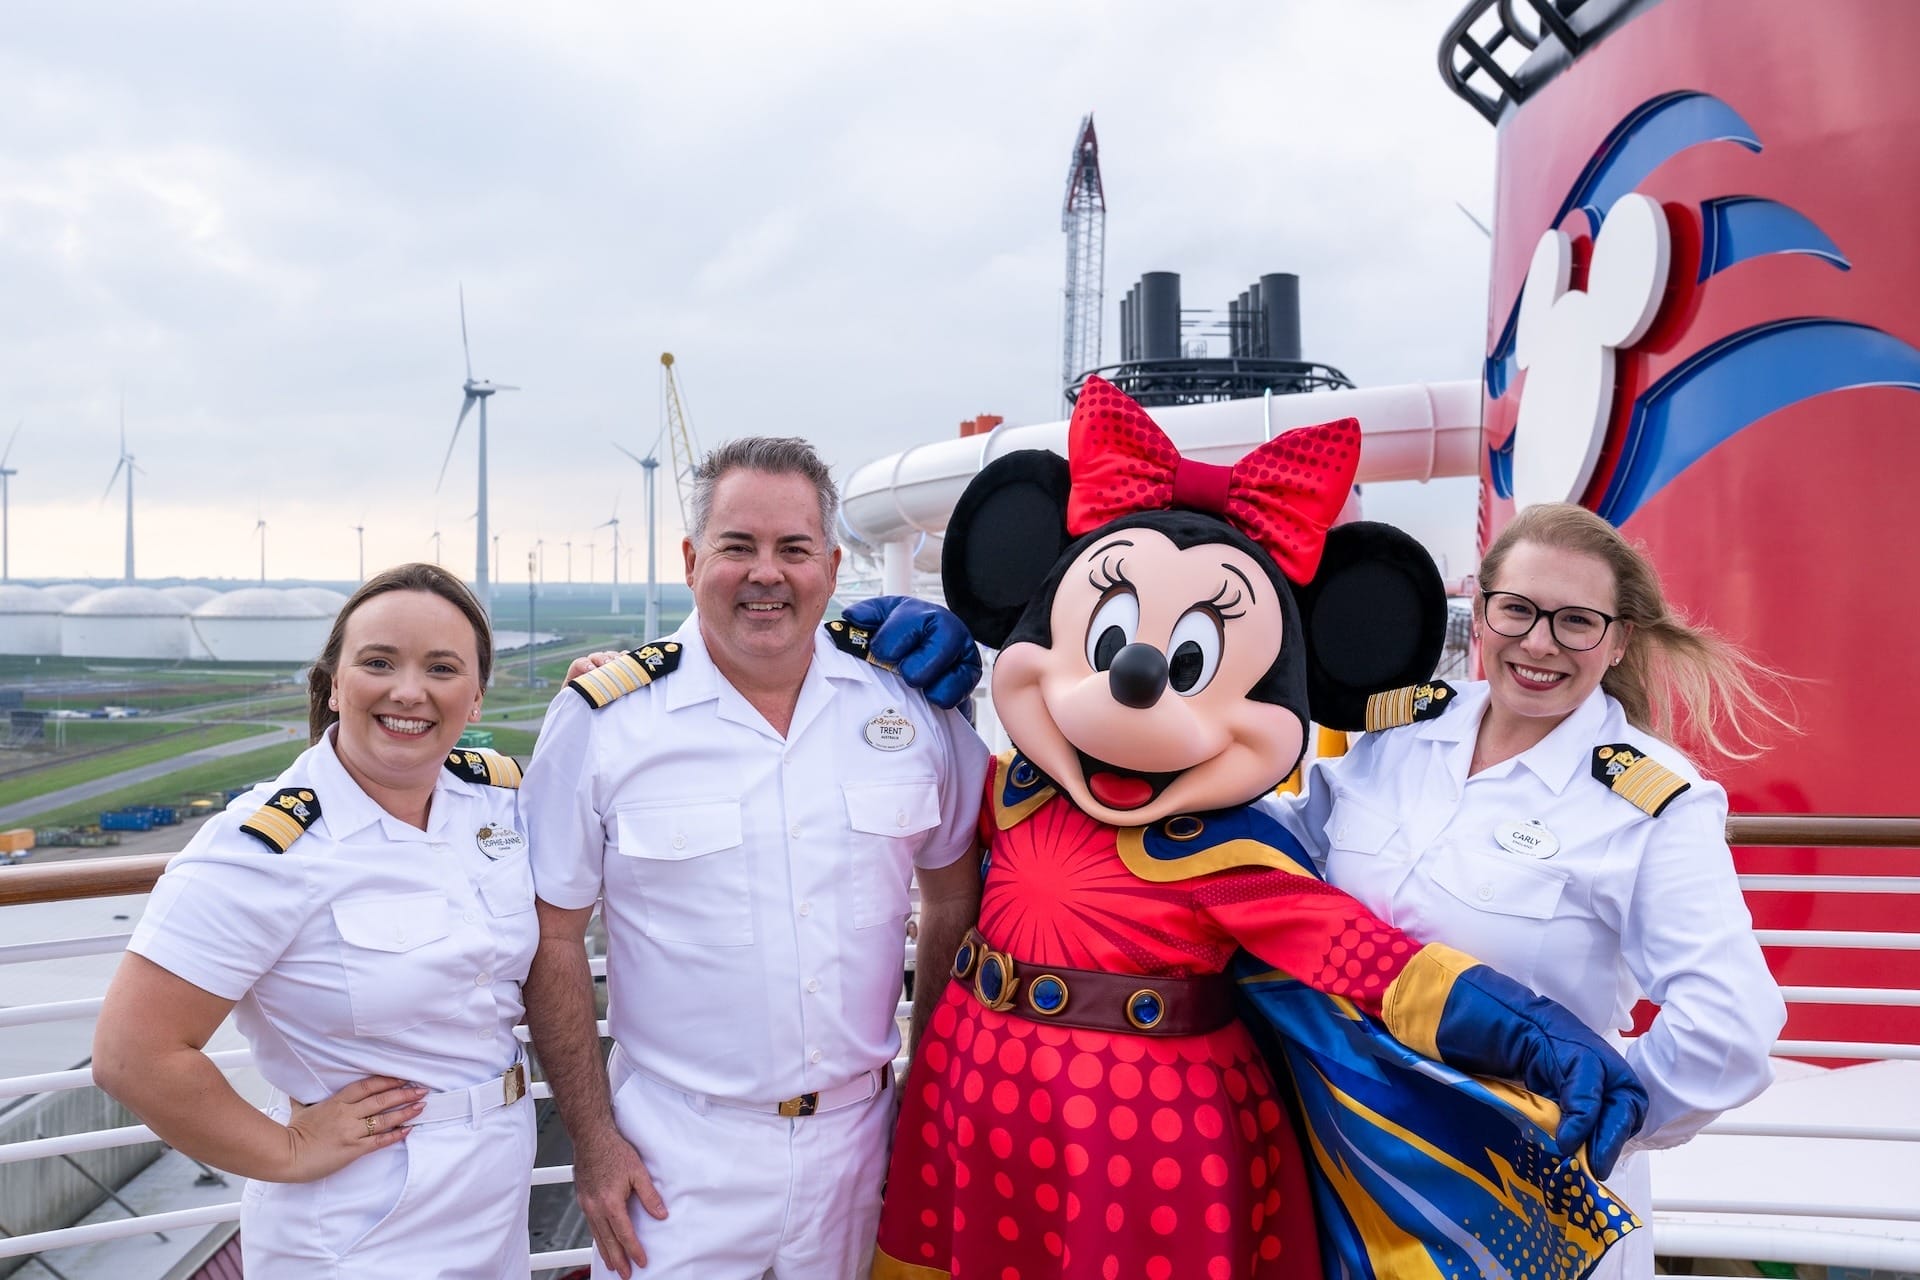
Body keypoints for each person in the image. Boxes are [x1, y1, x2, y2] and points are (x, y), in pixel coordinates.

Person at [872, 380, 1648, 1280]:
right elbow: (880, 808)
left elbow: (1374, 963)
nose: (1135, 682)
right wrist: (897, 675)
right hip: (973, 1105)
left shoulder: (1229, 854)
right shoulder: (1011, 793)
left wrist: (1536, 1035)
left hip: (1142, 1152)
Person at [1263, 501, 1791, 1279]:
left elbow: (1731, 1027)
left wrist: (1582, 1123)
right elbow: (1277, 866)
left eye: (1576, 621)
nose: (1539, 643)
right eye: (1516, 610)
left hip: (1519, 1207)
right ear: (1480, 615)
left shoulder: (1647, 802)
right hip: (1354, 1168)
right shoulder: (1399, 738)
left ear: (1618, 642)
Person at [522, 436, 991, 1280]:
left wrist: (926, 1094)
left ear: (833, 565)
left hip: (863, 1143)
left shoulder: (914, 712)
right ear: (693, 558)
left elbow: (954, 897)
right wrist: (591, 1141)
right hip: (673, 1158)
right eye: (737, 547)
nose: (765, 573)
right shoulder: (607, 721)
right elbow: (552, 938)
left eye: (793, 549)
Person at [93, 564, 538, 1279]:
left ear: (477, 692)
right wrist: (286, 1150)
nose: (409, 691)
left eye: (443, 667)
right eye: (379, 662)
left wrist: (602, 689)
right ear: (335, 682)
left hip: (496, 1189)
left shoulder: (499, 804)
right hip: (360, 1214)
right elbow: (131, 1055)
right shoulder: (265, 847)